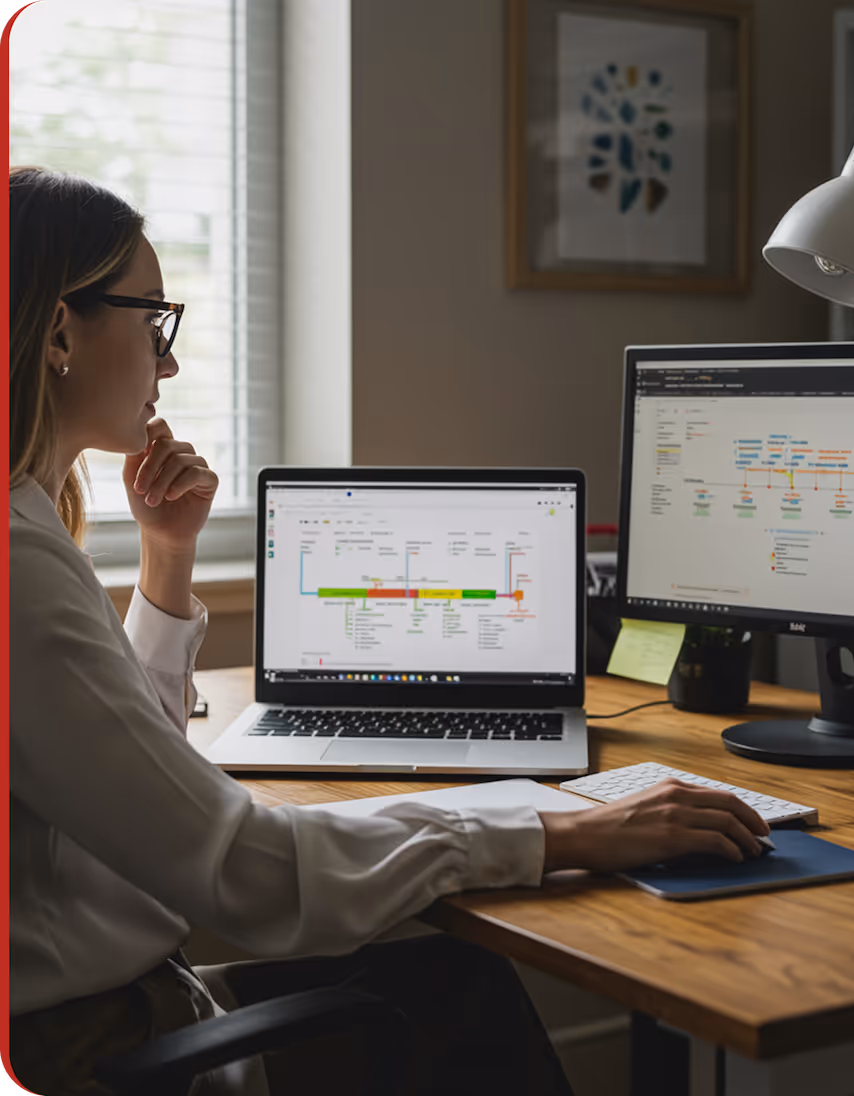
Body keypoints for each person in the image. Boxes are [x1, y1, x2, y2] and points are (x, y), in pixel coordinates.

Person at [7, 166, 771, 1096]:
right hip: (91, 1045)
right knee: (462, 1005)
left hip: (103, 1006)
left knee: (458, 979)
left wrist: (169, 559)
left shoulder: (30, 531)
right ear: (57, 330)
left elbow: (136, 784)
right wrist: (559, 832)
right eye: (152, 322)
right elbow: (244, 871)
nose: (167, 363)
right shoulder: (20, 562)